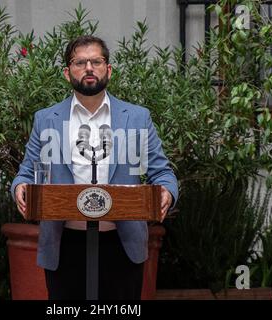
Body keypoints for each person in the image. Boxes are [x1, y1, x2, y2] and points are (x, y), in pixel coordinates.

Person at [11, 35, 178, 300]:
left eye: (96, 61)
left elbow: (162, 172)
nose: (89, 68)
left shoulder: (137, 117)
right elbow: (26, 172)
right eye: (80, 62)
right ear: (67, 73)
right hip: (64, 242)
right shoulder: (46, 120)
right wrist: (19, 187)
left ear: (108, 69)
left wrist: (167, 191)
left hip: (121, 243)